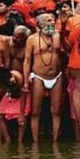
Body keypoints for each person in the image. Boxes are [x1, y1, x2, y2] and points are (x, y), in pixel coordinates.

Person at [24, 13, 63, 141]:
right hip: (39, 77)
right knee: (35, 111)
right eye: (48, 20)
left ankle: (55, 141)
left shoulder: (57, 36)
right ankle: (35, 142)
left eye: (53, 20)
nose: (52, 22)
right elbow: (27, 61)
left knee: (56, 111)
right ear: (40, 24)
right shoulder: (32, 39)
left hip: (56, 76)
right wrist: (25, 82)